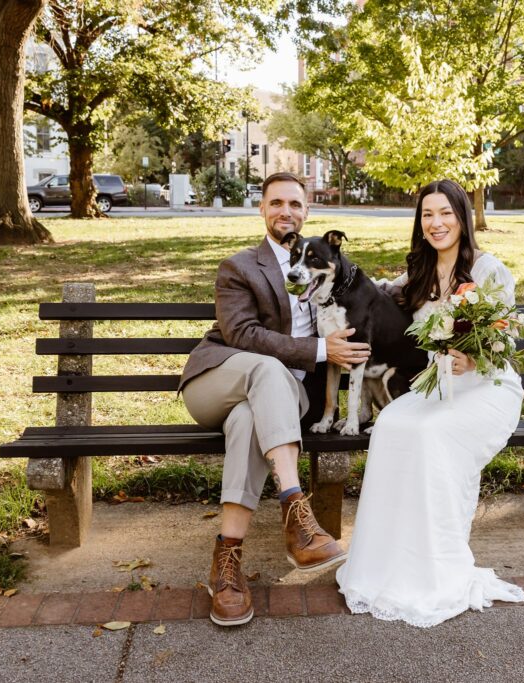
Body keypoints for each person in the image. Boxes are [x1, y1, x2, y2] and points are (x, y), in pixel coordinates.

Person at [180, 172, 372, 627]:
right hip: (218, 383)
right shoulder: (239, 267)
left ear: (306, 213)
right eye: (276, 203)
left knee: (250, 419)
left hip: (281, 405)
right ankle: (296, 510)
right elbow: (242, 335)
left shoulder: (325, 267)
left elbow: (370, 293)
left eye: (295, 204)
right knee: (266, 367)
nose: (286, 211)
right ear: (262, 210)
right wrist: (323, 351)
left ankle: (227, 567)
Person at [335, 179, 524, 628]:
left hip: (488, 388)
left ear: (462, 217)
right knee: (391, 426)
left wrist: (473, 357)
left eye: (445, 213)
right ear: (419, 223)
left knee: (428, 433)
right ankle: (388, 563)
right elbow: (379, 293)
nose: (436, 223)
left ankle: (437, 564)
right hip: (438, 386)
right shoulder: (418, 274)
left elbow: (508, 340)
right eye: (427, 215)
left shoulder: (488, 270)